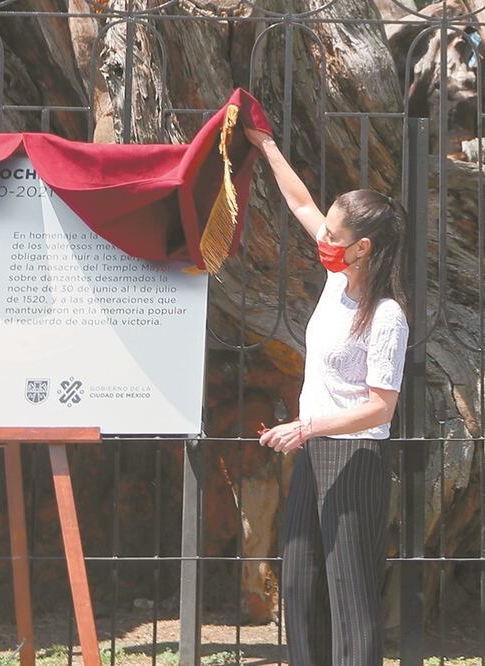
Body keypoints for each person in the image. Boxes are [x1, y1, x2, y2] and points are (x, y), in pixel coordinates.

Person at [246, 127, 410, 665]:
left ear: (362, 248)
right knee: (298, 582)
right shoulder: (336, 281)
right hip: (315, 453)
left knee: (350, 596)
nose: (324, 240)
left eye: (334, 236)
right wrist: (265, 143)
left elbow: (380, 408)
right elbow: (299, 203)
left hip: (355, 458)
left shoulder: (386, 316)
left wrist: (308, 426)